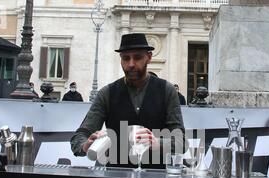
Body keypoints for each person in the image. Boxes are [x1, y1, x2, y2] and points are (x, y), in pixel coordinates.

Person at [70, 33, 185, 169]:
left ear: (148, 57)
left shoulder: (167, 90)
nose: (131, 64)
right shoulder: (107, 93)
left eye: (137, 57)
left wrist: (157, 142)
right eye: (126, 58)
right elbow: (79, 136)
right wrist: (86, 145)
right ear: (120, 60)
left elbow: (181, 142)